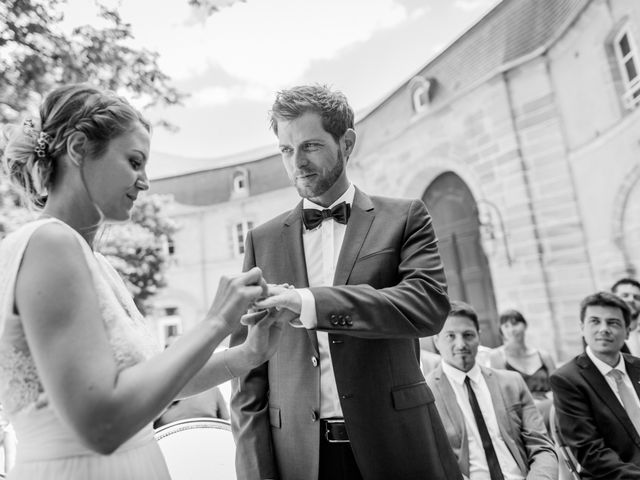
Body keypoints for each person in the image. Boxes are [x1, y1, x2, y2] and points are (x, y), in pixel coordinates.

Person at [0, 84, 291, 480]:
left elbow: (151, 384)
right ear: (79, 147)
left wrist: (247, 355)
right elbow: (102, 425)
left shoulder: (96, 263)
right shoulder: (50, 243)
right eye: (135, 162)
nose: (144, 182)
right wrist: (216, 321)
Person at [230, 84, 461, 480]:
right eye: (286, 150)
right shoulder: (260, 241)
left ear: (347, 142)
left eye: (311, 146)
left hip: (398, 447)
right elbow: (248, 380)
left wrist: (308, 303)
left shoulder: (404, 218)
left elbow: (426, 306)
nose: (297, 162)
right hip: (300, 458)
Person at [426, 301, 558, 480]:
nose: (461, 344)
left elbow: (541, 446)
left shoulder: (512, 382)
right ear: (436, 340)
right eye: (450, 336)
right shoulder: (426, 393)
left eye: (468, 335)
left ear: (479, 337)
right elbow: (429, 461)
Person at [550, 292, 640, 479]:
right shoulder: (567, 380)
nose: (604, 329)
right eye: (595, 321)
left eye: (613, 322)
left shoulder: (638, 367)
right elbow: (591, 454)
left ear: (628, 330)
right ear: (582, 328)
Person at [489, 309, 556, 430]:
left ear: (524, 325)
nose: (512, 330)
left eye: (515, 324)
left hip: (549, 409)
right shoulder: (496, 357)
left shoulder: (543, 356)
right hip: (520, 414)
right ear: (501, 331)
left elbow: (558, 387)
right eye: (506, 326)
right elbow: (500, 394)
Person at [611, 278, 640, 356]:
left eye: (637, 297)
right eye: (625, 295)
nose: (631, 299)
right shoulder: (603, 333)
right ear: (613, 299)